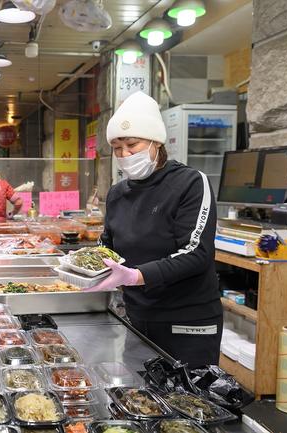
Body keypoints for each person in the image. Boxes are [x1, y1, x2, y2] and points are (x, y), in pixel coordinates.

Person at [92, 91, 222, 368]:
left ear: (156, 142)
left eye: (132, 145)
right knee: (140, 388)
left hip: (186, 321)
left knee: (190, 392)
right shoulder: (117, 193)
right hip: (137, 316)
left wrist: (137, 276)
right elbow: (108, 244)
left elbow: (197, 253)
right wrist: (89, 265)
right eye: (117, 148)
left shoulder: (190, 183)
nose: (124, 154)